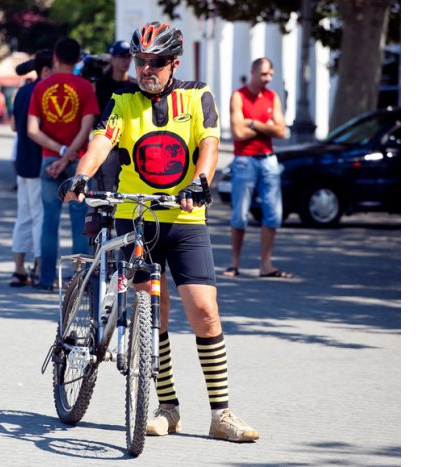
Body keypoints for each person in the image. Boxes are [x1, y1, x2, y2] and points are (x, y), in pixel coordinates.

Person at [59, 21, 259, 443]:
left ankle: (221, 414)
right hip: (136, 218)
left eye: (154, 63)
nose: (144, 69)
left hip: (184, 218)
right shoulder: (124, 99)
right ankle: (167, 407)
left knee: (204, 310)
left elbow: (208, 144)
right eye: (139, 61)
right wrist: (80, 176)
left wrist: (199, 182)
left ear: (173, 63)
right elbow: (102, 140)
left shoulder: (197, 94)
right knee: (156, 312)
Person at [27, 37, 101, 292]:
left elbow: (31, 130)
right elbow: (88, 125)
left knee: (49, 220)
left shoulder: (41, 87)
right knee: (79, 221)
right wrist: (69, 155)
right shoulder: (84, 87)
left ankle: (46, 278)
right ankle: (78, 280)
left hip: (49, 159)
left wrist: (58, 153)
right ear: (79, 58)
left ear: (55, 58)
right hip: (78, 162)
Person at [224, 57, 290, 279]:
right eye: (264, 74)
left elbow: (281, 132)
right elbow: (239, 133)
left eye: (270, 74)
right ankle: (234, 264)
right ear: (253, 72)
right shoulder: (238, 96)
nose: (268, 79)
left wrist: (253, 123)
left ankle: (266, 264)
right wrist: (268, 127)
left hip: (269, 159)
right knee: (240, 214)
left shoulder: (273, 96)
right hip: (245, 159)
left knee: (273, 215)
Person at [8, 49, 54, 287]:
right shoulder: (44, 92)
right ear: (46, 69)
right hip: (39, 159)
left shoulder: (22, 91)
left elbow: (15, 127)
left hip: (23, 160)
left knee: (24, 215)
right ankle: (38, 267)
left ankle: (18, 269)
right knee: (40, 216)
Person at [92, 40, 137, 192]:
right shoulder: (98, 84)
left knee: (129, 192)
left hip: (129, 145)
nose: (126, 60)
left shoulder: (135, 86)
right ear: (112, 57)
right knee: (103, 194)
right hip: (107, 146)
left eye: (128, 56)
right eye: (121, 56)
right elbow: (92, 116)